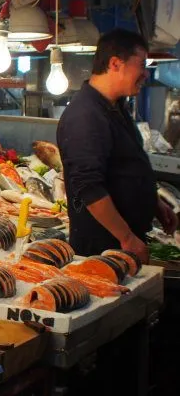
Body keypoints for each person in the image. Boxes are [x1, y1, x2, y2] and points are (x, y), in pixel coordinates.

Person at [57, 29, 177, 262]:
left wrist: (154, 202)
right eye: (141, 65)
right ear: (115, 63)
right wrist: (127, 238)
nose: (145, 74)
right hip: (102, 249)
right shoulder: (85, 115)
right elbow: (89, 187)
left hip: (121, 243)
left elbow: (127, 165)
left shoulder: (115, 106)